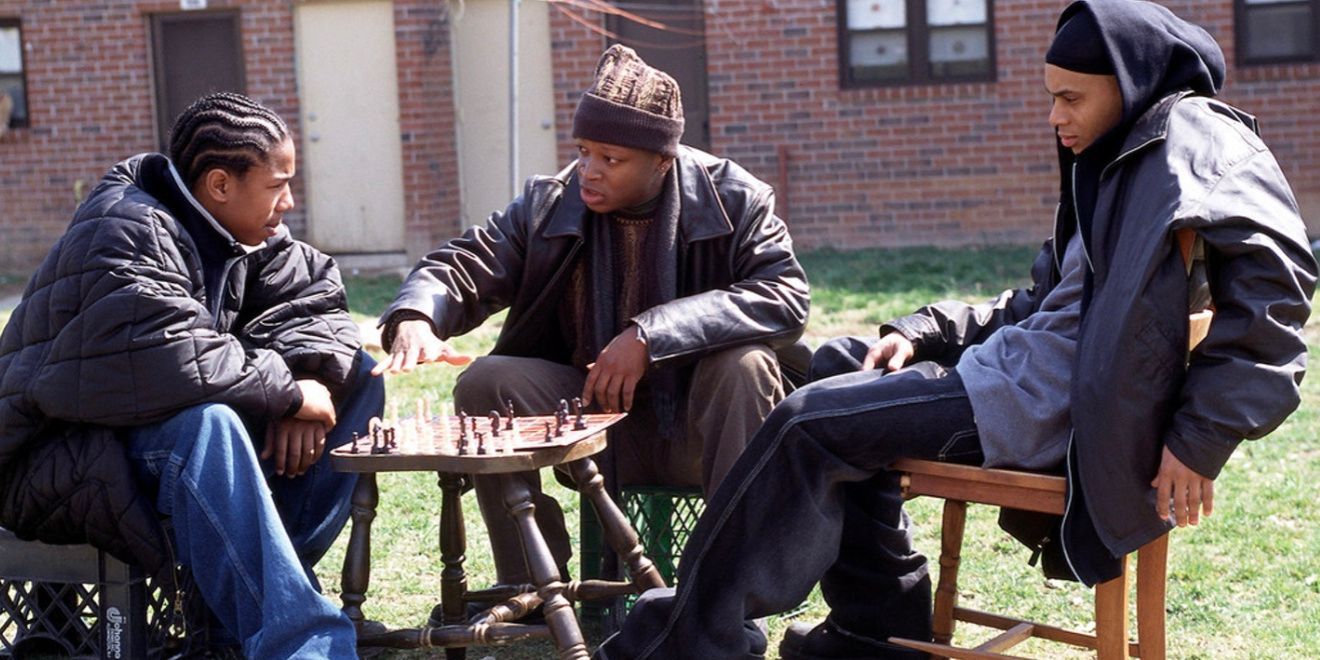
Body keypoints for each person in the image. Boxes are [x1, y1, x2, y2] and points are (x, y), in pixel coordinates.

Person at [594, 1, 1317, 658]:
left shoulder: (1197, 140)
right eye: (1050, 97)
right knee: (837, 364)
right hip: (1023, 372)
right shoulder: (1116, 157)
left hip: (1050, 406)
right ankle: (876, 630)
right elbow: (1040, 302)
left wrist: (1199, 438)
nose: (1054, 117)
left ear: (1128, 84)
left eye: (1070, 98)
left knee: (807, 421)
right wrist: (923, 328)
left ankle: (693, 639)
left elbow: (1278, 296)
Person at [374, 44, 809, 603]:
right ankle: (534, 583)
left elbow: (784, 295)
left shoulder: (735, 198)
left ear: (662, 160)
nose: (588, 170)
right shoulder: (549, 203)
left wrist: (651, 336)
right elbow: (463, 265)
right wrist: (416, 314)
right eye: (583, 151)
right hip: (593, 422)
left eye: (610, 157)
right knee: (485, 381)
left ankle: (730, 592)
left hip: (707, 428)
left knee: (744, 363)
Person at [0, 92, 383, 658]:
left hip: (137, 439)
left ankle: (257, 606)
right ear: (220, 185)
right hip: (60, 455)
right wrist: (283, 391)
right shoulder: (125, 227)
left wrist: (311, 378)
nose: (289, 202)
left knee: (362, 378)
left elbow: (314, 298)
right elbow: (167, 355)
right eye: (277, 185)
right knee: (210, 425)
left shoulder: (241, 231)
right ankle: (302, 643)